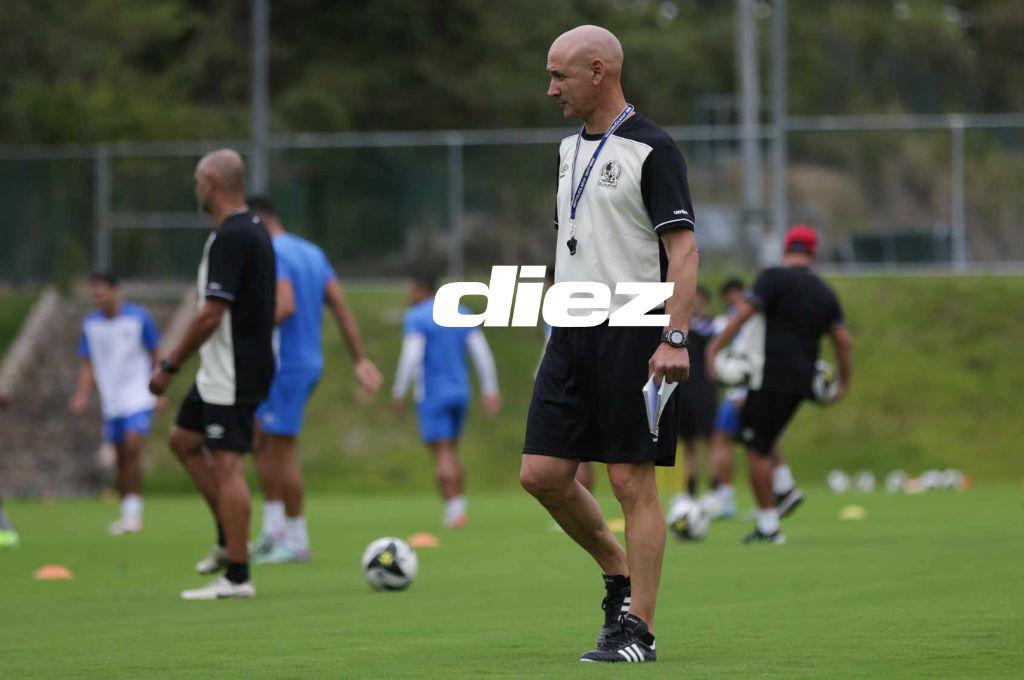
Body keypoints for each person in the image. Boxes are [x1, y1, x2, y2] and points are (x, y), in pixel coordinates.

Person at [520, 25, 699, 663]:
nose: (551, 89)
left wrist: (674, 335)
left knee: (630, 481)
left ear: (598, 71)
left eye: (559, 76)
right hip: (570, 333)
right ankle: (617, 573)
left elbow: (683, 251)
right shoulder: (569, 150)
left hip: (635, 331)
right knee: (541, 474)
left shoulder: (654, 149)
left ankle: (639, 631)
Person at [149, 149, 276, 600]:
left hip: (233, 372)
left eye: (197, 180)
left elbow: (210, 313)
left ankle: (239, 576)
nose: (195, 188)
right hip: (222, 369)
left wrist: (169, 364)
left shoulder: (235, 236)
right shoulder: (245, 229)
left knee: (227, 465)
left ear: (210, 181)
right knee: (183, 441)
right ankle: (229, 536)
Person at [246, 196, 384, 564]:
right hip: (303, 362)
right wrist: (359, 358)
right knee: (260, 441)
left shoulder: (270, 251)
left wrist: (242, 330)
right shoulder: (311, 252)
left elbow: (285, 305)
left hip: (284, 364)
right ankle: (272, 531)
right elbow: (338, 304)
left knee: (281, 448)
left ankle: (295, 540)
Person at [707, 225, 852, 544]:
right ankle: (784, 489)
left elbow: (743, 314)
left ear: (787, 249)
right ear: (813, 253)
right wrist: (843, 382)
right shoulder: (825, 292)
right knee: (765, 437)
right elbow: (842, 342)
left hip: (767, 375)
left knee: (756, 448)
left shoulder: (772, 277)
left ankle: (769, 526)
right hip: (802, 381)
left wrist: (715, 347)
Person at [391, 271, 501, 528]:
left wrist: (399, 392)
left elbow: (411, 356)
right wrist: (490, 389)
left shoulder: (417, 317)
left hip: (432, 394)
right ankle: (459, 506)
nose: (408, 294)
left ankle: (454, 511)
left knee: (440, 453)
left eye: (410, 288)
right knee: (452, 450)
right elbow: (481, 352)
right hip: (460, 392)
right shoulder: (460, 312)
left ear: (421, 288)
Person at [69, 271, 160, 534]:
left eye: (101, 292)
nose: (97, 298)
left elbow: (156, 352)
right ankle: (129, 512)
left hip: (139, 394)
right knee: (121, 455)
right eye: (94, 294)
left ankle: (135, 513)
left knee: (133, 445)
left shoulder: (138, 318)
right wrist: (82, 394)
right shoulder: (91, 325)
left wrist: (160, 389)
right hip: (112, 400)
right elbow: (87, 364)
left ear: (115, 290)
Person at [669, 286, 717, 507]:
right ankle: (690, 490)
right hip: (682, 390)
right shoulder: (677, 330)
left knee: (711, 441)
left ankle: (716, 491)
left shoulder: (713, 328)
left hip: (705, 391)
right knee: (688, 443)